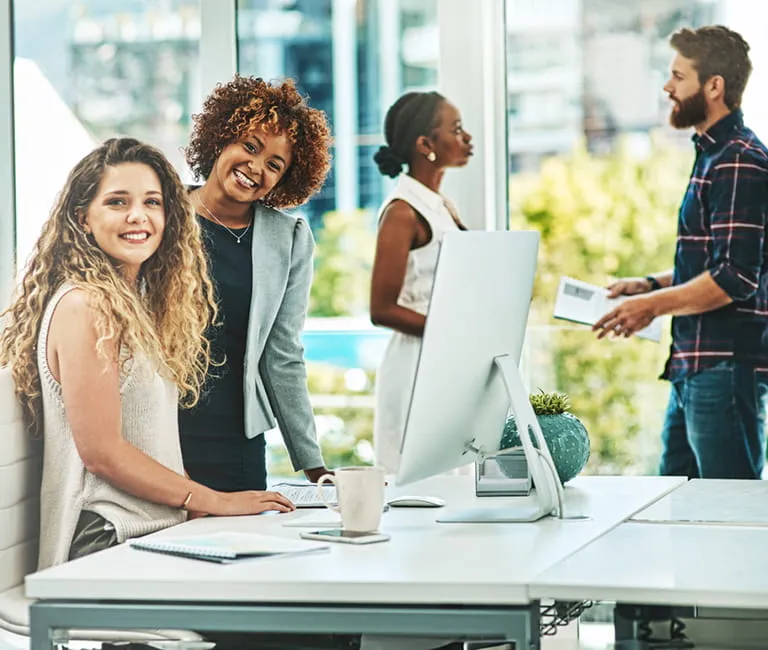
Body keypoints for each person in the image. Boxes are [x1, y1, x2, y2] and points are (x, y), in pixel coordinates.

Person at [0, 138, 295, 571]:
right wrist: (211, 499)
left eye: (152, 202)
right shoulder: (88, 306)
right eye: (117, 202)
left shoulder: (132, 303)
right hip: (106, 535)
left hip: (149, 528)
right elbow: (102, 452)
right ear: (82, 217)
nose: (138, 216)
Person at [593, 25, 768, 480]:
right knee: (678, 505)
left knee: (726, 518)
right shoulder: (713, 154)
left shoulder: (737, 159)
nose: (667, 87)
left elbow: (735, 277)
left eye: (677, 76)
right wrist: (650, 285)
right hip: (696, 365)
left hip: (723, 369)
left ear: (714, 86)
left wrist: (649, 306)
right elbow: (714, 263)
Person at [180, 75, 334, 495]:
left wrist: (312, 463)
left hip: (237, 442)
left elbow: (282, 354)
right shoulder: (162, 214)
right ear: (221, 137)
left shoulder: (289, 239)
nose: (256, 168)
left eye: (274, 164)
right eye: (250, 146)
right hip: (161, 433)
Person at [370, 91, 473, 475]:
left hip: (444, 359)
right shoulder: (402, 212)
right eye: (457, 129)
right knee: (420, 490)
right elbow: (381, 310)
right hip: (416, 366)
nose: (468, 139)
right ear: (426, 144)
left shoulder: (441, 205)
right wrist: (450, 332)